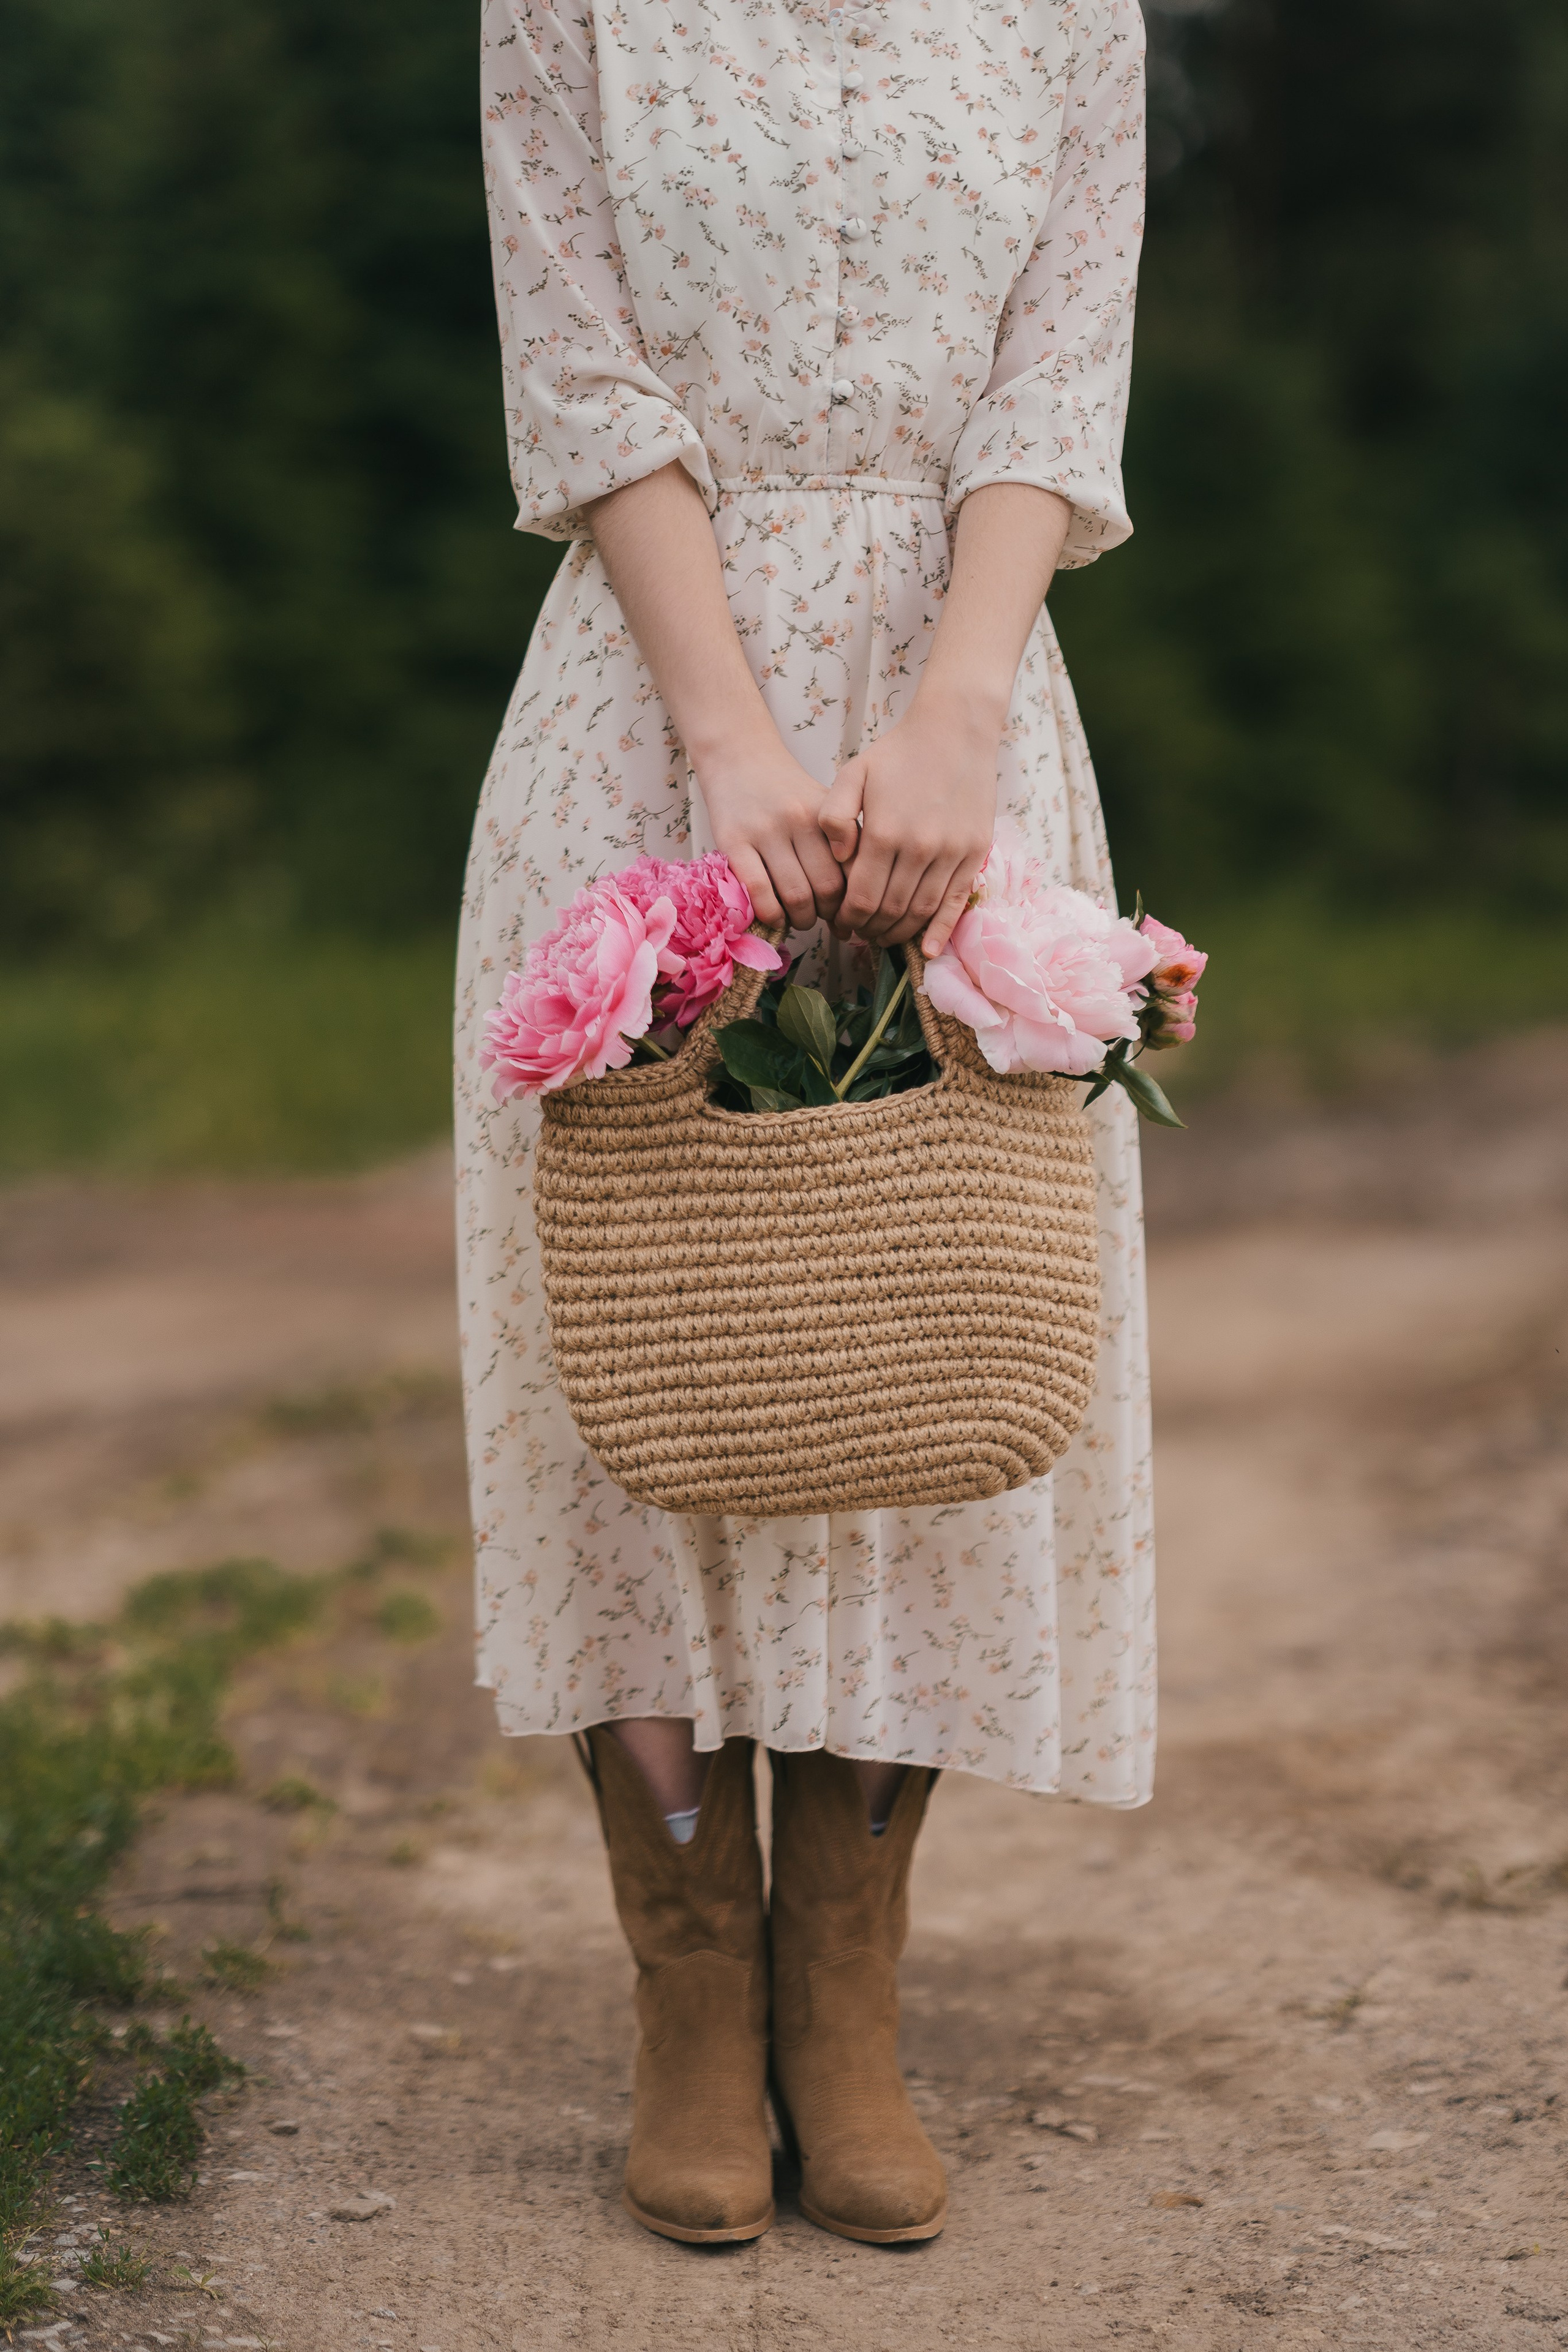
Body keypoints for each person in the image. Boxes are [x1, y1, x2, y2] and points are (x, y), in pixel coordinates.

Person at [456, 0, 1153, 2247]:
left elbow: (1058, 381)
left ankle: (842, 2004)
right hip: (651, 713)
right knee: (643, 1369)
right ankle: (688, 1986)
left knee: (920, 1332)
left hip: (961, 714)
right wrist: (733, 741)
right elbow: (581, 375)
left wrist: (952, 723)